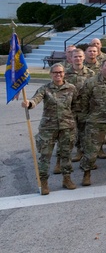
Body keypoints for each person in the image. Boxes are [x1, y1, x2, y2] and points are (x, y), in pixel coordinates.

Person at [22, 64, 79, 194]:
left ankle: (67, 179)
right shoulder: (45, 88)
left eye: (60, 72)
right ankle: (44, 183)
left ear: (64, 73)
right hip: (48, 127)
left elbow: (76, 105)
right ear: (51, 74)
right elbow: (36, 99)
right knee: (45, 155)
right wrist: (29, 104)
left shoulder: (71, 88)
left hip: (67, 127)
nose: (58, 75)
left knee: (66, 154)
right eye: (55, 72)